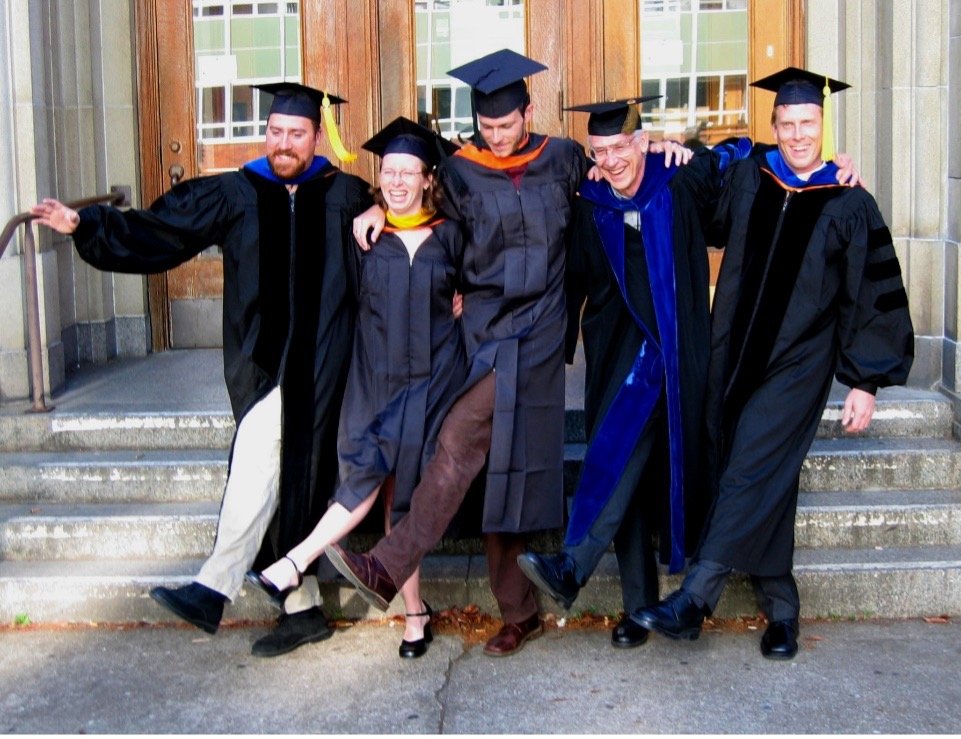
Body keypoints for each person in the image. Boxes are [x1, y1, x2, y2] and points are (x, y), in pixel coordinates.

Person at [327, 49, 691, 656]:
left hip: (543, 329)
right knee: (469, 446)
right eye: (487, 127)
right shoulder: (461, 171)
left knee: (513, 468)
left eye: (506, 125)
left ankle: (513, 610)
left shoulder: (566, 159)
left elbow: (619, 170)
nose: (496, 138)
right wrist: (373, 206)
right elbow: (416, 208)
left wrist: (666, 148)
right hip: (487, 331)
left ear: (529, 111)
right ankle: (396, 567)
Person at [32, 83, 373, 658]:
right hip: (260, 359)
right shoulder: (238, 191)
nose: (283, 143)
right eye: (275, 132)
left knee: (282, 467)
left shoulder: (346, 195)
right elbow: (163, 234)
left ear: (317, 136)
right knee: (273, 469)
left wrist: (383, 215)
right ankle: (301, 606)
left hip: (323, 360)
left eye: (296, 133)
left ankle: (216, 589)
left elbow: (403, 227)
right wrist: (86, 226)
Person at [515, 97, 859, 650]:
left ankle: (592, 572)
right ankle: (636, 604)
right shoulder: (590, 199)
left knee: (635, 461)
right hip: (619, 354)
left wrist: (829, 165)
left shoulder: (680, 178)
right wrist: (559, 348)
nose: (612, 161)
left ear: (642, 141)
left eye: (621, 147)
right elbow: (575, 276)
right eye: (600, 152)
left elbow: (757, 161)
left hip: (681, 352)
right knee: (619, 461)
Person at [630, 67, 915, 660]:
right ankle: (782, 608)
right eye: (786, 124)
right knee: (761, 472)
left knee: (750, 464)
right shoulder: (751, 178)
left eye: (807, 122)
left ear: (824, 123)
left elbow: (872, 291)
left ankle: (695, 599)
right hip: (733, 352)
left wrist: (865, 382)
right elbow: (695, 198)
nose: (797, 134)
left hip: (799, 364)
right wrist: (664, 152)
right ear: (774, 126)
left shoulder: (850, 202)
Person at [245, 117, 465, 659]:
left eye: (407, 172)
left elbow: (480, 288)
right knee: (369, 474)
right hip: (376, 378)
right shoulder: (362, 236)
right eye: (388, 171)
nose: (396, 181)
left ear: (428, 178)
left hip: (435, 381)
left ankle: (410, 612)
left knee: (404, 495)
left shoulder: (453, 236)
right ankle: (302, 562)